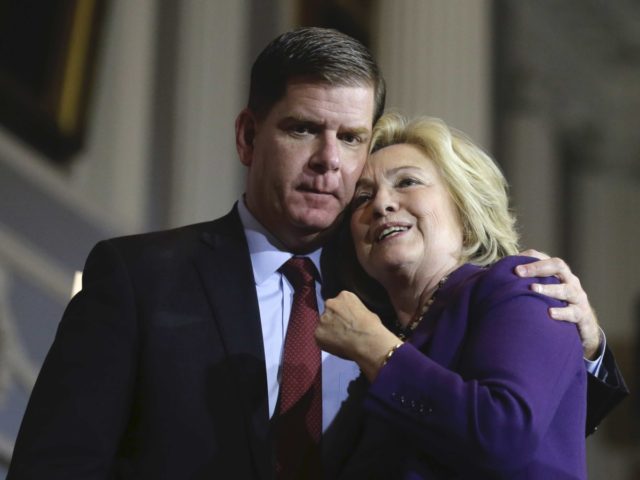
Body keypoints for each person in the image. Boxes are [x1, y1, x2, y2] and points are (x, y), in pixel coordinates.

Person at [7, 28, 625, 480]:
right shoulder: (139, 277)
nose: (330, 159)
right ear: (249, 136)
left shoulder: (391, 293)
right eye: (303, 128)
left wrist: (586, 347)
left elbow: (513, 423)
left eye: (352, 138)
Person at [314, 113, 606, 478]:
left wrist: (376, 349)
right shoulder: (383, 337)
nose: (381, 204)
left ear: (465, 211)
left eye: (406, 181)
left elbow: (503, 435)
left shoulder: (520, 286)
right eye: (362, 197)